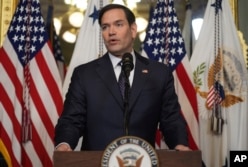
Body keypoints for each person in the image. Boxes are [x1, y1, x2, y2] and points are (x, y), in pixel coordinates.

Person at [54, 4, 190, 151]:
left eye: (118, 25)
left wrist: (180, 145)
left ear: (133, 30)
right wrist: (64, 144)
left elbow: (171, 119)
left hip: (142, 161)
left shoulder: (159, 73)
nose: (111, 32)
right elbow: (71, 120)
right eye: (105, 27)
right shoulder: (84, 74)